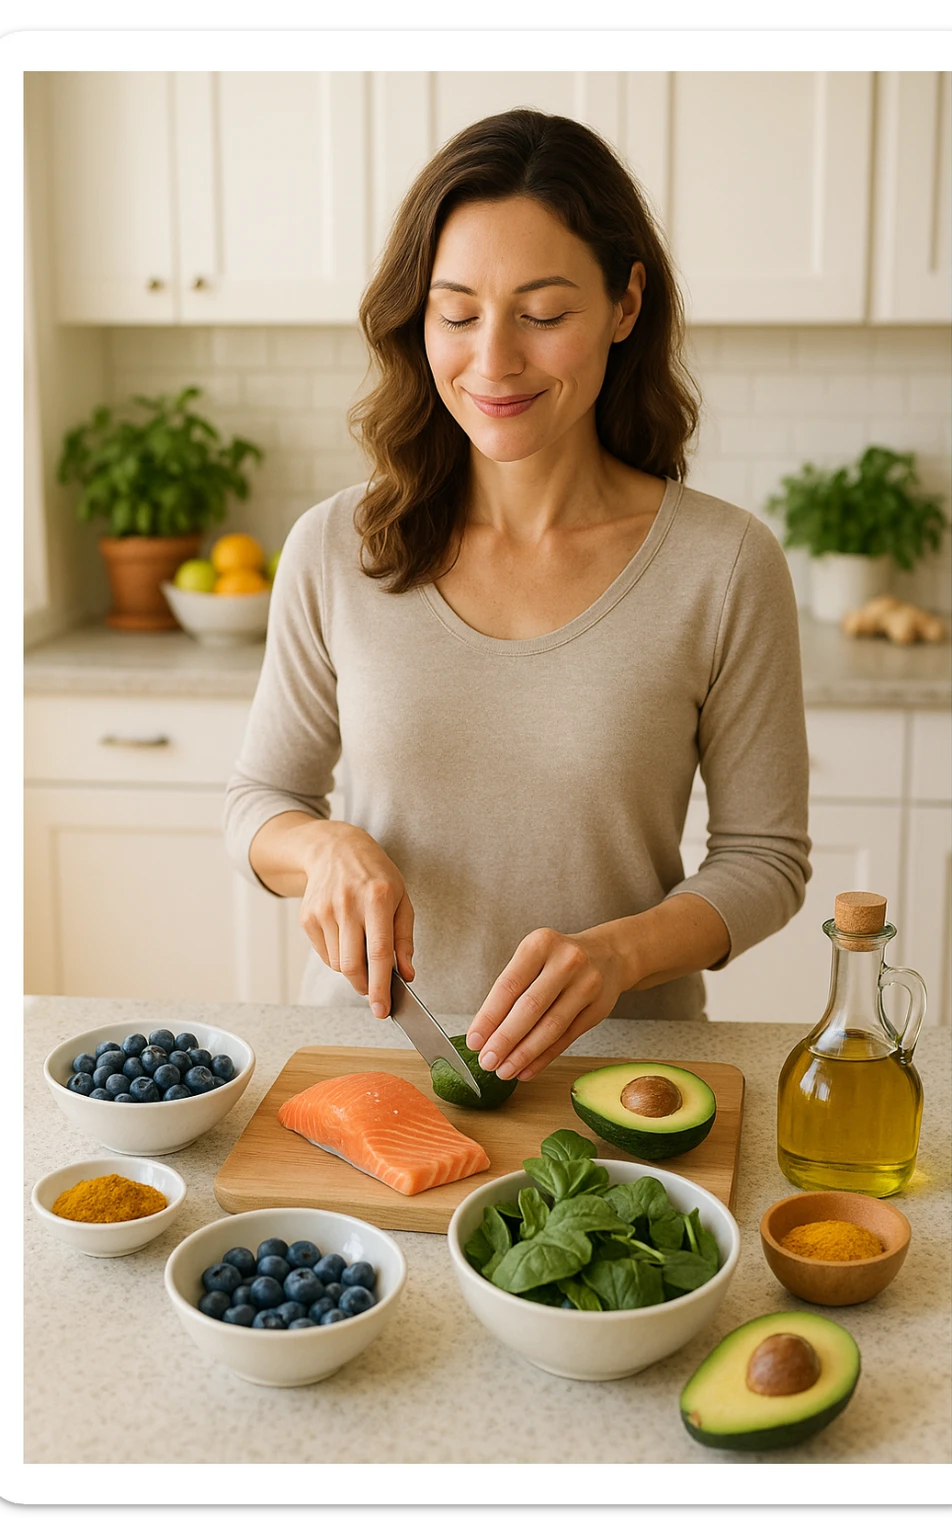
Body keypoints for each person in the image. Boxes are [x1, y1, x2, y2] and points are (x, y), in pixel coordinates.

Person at [224, 108, 811, 1085]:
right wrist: (322, 848)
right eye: (456, 313)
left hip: (625, 1070)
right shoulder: (336, 546)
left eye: (542, 314)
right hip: (377, 1057)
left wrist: (621, 953)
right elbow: (259, 803)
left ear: (625, 305)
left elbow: (764, 860)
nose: (492, 360)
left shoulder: (725, 564)